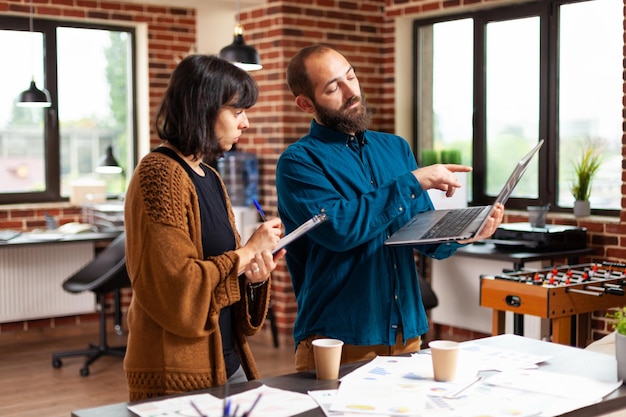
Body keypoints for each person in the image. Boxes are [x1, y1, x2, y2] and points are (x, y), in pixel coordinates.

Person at [275, 44, 504, 371]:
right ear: (304, 103)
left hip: (408, 334)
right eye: (333, 87)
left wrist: (468, 231)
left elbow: (422, 229)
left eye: (351, 76)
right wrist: (412, 182)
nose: (351, 91)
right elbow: (340, 229)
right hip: (338, 340)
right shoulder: (298, 162)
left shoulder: (395, 148)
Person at [123, 54, 285, 401]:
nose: (246, 123)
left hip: (226, 359)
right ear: (204, 108)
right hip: (177, 370)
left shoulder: (209, 175)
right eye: (237, 111)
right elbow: (177, 287)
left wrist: (252, 275)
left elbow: (221, 274)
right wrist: (247, 251)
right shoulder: (159, 174)